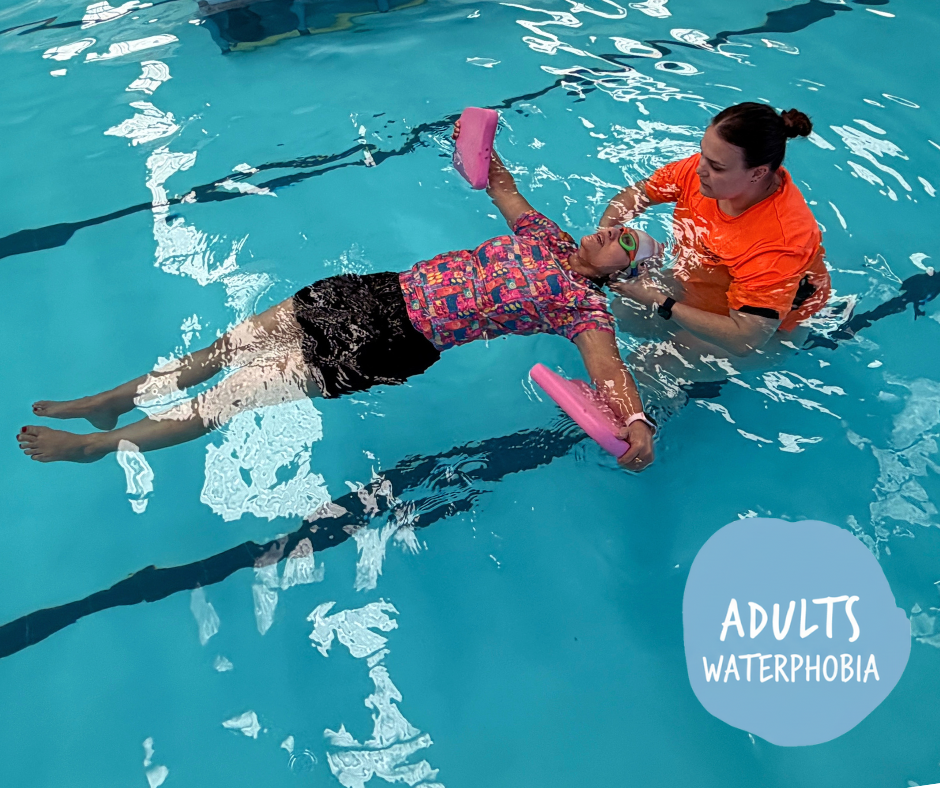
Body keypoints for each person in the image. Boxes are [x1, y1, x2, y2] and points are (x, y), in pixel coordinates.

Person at [18, 135, 659, 470]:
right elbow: (501, 184)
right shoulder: (545, 234)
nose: (611, 230)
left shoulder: (583, 308)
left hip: (391, 343)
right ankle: (114, 401)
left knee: (228, 397)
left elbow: (609, 373)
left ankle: (97, 447)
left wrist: (635, 426)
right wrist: (477, 133)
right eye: (618, 225)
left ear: (622, 275)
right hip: (374, 290)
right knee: (223, 349)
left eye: (625, 243)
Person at [600, 102, 831, 362]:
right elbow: (639, 194)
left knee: (654, 365)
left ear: (758, 173)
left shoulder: (780, 240)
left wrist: (662, 301)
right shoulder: (700, 173)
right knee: (626, 310)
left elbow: (747, 339)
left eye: (717, 166)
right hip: (709, 284)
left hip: (770, 331)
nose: (699, 169)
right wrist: (605, 236)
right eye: (703, 154)